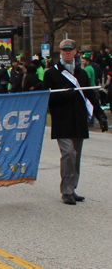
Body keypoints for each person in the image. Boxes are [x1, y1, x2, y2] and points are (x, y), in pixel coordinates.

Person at [43, 39, 108, 205]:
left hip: (78, 120)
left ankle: (72, 188)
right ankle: (66, 191)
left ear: (75, 52)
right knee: (69, 154)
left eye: (70, 50)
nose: (67, 53)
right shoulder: (51, 74)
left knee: (76, 156)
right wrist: (62, 95)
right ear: (60, 52)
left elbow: (90, 97)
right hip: (62, 121)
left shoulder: (82, 74)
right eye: (64, 50)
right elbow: (45, 98)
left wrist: (100, 115)